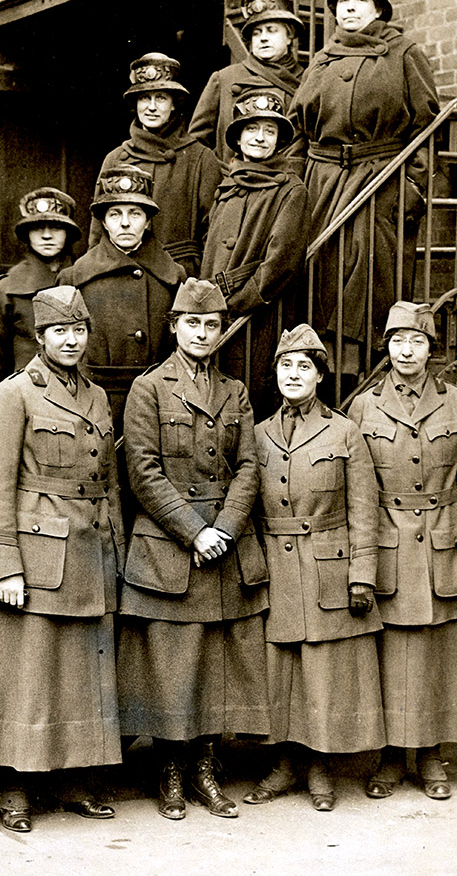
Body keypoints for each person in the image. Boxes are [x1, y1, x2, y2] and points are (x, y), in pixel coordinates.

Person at [0, 286, 124, 833]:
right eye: (59, 331)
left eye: (79, 330)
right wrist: (5, 563)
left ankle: (69, 776)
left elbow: (108, 483)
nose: (70, 340)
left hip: (88, 547)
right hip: (35, 549)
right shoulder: (12, 395)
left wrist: (115, 546)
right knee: (24, 673)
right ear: (40, 337)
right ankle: (15, 787)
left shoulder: (97, 397)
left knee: (76, 671)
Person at [119, 278, 269, 821]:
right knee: (172, 665)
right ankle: (171, 773)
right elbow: (142, 469)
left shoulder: (236, 390)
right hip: (170, 547)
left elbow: (249, 466)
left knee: (217, 664)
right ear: (174, 327)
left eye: (211, 325)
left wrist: (224, 527)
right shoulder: (149, 388)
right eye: (193, 324)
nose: (203, 333)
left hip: (224, 547)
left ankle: (207, 769)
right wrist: (193, 530)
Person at [347, 301, 457, 800]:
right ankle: (390, 757)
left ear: (432, 350)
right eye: (397, 341)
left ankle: (431, 755)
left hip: (442, 540)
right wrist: (362, 562)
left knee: (437, 654)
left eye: (418, 342)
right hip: (391, 544)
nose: (406, 351)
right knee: (394, 656)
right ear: (385, 348)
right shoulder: (364, 407)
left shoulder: (455, 402)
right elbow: (358, 492)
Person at [245, 324, 384, 811]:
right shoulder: (258, 432)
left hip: (328, 563)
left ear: (320, 376)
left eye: (305, 366)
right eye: (286, 365)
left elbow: (365, 510)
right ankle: (284, 764)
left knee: (324, 673)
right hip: (275, 569)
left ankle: (321, 769)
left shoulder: (345, 431)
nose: (294, 375)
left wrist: (362, 574)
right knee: (279, 673)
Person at [289, 0, 441, 383]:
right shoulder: (321, 59)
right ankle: (320, 368)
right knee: (322, 269)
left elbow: (426, 128)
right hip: (322, 178)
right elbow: (299, 128)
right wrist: (294, 183)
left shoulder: (405, 53)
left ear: (379, 9)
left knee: (370, 273)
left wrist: (411, 188)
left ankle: (365, 373)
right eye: (344, 2)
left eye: (362, 1)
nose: (351, 9)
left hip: (380, 177)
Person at [200, 88, 309, 418]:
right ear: (238, 137)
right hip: (216, 312)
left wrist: (234, 304)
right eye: (251, 129)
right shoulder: (227, 186)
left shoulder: (291, 188)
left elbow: (280, 262)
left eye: (269, 131)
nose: (260, 138)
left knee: (250, 398)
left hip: (257, 315)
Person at [61, 165, 185, 431]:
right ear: (103, 222)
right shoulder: (75, 278)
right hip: (94, 403)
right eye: (115, 214)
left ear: (148, 221)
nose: (125, 223)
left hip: (159, 403)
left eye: (135, 213)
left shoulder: (174, 277)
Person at [88, 52, 222, 276]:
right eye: (144, 98)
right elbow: (97, 232)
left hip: (180, 277)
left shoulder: (200, 158)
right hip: (121, 274)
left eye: (160, 98)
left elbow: (212, 232)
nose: (151, 106)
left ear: (173, 104)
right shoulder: (115, 158)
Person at [189, 0, 306, 164]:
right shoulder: (225, 78)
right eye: (256, 33)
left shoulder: (307, 80)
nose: (263, 38)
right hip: (231, 183)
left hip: (285, 185)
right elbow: (197, 143)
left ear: (290, 36)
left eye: (271, 30)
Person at [0, 186, 80, 374]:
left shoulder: (84, 278)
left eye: (56, 227)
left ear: (68, 234)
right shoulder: (7, 288)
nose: (47, 235)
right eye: (37, 228)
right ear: (27, 235)